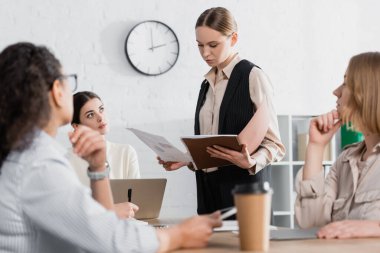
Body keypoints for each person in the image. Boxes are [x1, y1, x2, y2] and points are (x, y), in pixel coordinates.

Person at [0, 42, 221, 253]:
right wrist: (178, 235)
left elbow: (101, 226)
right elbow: (112, 241)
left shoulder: (27, 155)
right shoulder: (38, 164)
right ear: (58, 90)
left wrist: (97, 169)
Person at [158, 7, 285, 215]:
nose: (205, 53)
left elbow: (276, 145)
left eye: (213, 45)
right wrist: (188, 159)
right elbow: (212, 146)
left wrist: (251, 162)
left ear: (233, 38)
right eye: (200, 45)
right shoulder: (206, 84)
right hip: (208, 192)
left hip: (245, 192)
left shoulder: (253, 76)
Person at [295, 52, 380, 239]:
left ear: (367, 92)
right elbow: (311, 225)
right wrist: (316, 148)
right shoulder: (345, 162)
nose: (336, 91)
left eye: (346, 83)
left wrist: (376, 228)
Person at [69, 91, 140, 219]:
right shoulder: (67, 161)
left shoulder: (126, 152)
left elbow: (137, 204)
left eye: (101, 109)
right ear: (76, 126)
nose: (100, 117)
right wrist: (112, 211)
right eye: (90, 115)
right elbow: (71, 213)